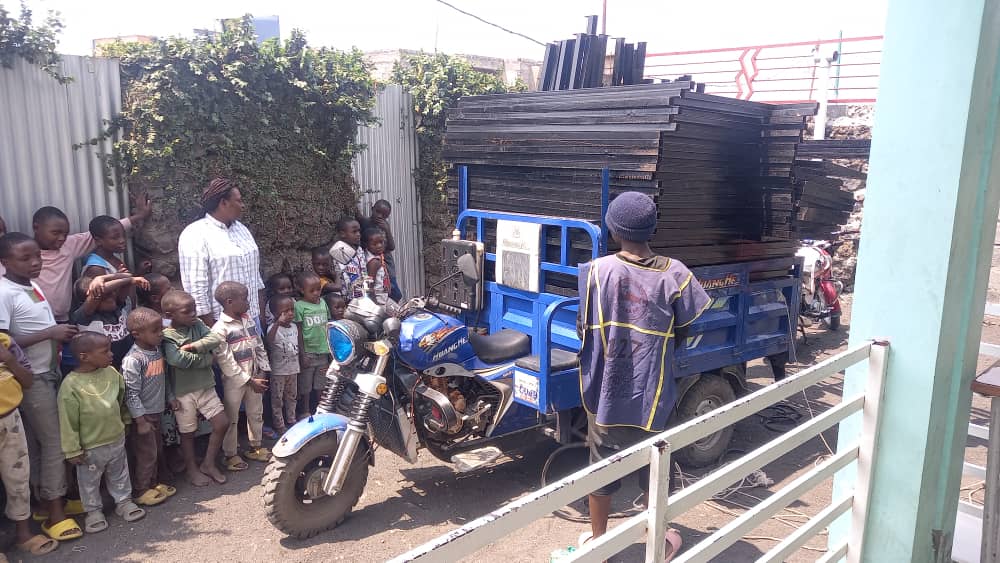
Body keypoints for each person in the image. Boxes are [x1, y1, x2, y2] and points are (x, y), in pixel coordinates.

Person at [577, 192, 711, 560]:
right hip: (654, 392)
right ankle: (660, 542)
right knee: (656, 469)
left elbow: (583, 327)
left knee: (601, 471)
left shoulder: (596, 271)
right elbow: (685, 329)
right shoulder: (676, 274)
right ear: (652, 228)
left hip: (605, 393)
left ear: (613, 230)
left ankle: (599, 544)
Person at [0, 232, 80, 541]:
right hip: (30, 378)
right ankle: (55, 513)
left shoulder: (29, 285)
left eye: (37, 256)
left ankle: (46, 503)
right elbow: (4, 343)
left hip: (48, 371)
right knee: (53, 442)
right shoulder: (4, 292)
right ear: (5, 262)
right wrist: (50, 333)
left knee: (39, 442)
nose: (35, 262)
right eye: (25, 258)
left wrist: (55, 332)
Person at [57, 332, 146, 533]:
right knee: (89, 481)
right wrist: (72, 450)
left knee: (119, 473)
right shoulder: (70, 385)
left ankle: (124, 502)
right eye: (105, 351)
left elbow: (121, 400)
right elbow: (67, 420)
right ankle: (93, 511)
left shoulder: (112, 373)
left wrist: (126, 421)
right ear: (84, 356)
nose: (111, 354)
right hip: (90, 446)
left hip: (115, 438)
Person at [31, 196, 151, 322]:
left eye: (65, 234)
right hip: (36, 320)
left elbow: (108, 230)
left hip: (62, 319)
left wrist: (140, 216)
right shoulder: (26, 255)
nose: (61, 238)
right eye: (55, 233)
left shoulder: (68, 246)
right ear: (36, 227)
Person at [161, 290, 228, 486]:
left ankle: (208, 463)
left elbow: (215, 339)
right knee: (188, 433)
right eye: (186, 311)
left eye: (194, 309)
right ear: (169, 315)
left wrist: (193, 347)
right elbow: (176, 360)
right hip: (183, 393)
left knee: (222, 423)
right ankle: (191, 469)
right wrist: (208, 359)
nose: (193, 314)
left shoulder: (197, 325)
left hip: (205, 386)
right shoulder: (167, 336)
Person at [0, 333, 59, 555]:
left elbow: (27, 380)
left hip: (9, 421)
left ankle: (23, 535)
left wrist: (9, 360)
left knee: (18, 478)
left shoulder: (5, 342)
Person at [178, 178, 265, 327]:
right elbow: (196, 288)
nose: (243, 205)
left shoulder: (242, 229)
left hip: (252, 318)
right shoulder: (195, 234)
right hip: (221, 323)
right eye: (239, 201)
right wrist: (210, 329)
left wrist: (261, 316)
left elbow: (255, 279)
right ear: (223, 203)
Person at [211, 282, 271, 471]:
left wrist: (263, 369)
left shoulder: (249, 320)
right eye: (244, 299)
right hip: (234, 381)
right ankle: (230, 454)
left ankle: (256, 446)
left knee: (256, 412)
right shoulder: (220, 329)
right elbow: (226, 362)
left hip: (255, 375)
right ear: (229, 302)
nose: (248, 302)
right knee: (232, 417)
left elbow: (259, 345)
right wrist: (249, 381)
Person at [121, 307, 175, 507]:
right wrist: (141, 421)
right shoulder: (134, 360)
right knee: (146, 453)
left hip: (157, 411)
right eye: (155, 331)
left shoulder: (156, 351)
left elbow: (164, 378)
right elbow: (130, 393)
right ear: (136, 334)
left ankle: (153, 483)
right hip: (144, 417)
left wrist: (170, 397)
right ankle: (141, 489)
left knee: (156, 450)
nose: (161, 333)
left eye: (161, 329)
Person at [70, 273, 148, 368]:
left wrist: (100, 278)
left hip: (129, 365)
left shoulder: (117, 308)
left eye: (113, 292)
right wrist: (131, 280)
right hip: (105, 369)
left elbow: (126, 276)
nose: (112, 296)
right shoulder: (84, 317)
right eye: (106, 296)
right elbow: (101, 291)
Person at [294, 273, 330, 419]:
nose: (316, 293)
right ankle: (305, 410)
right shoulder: (299, 306)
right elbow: (298, 331)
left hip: (323, 351)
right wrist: (302, 354)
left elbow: (328, 325)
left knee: (321, 384)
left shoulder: (323, 303)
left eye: (318, 289)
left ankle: (321, 410)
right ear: (302, 290)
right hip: (308, 352)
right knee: (306, 385)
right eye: (312, 291)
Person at [265, 296, 298, 435]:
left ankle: (291, 419)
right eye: (285, 311)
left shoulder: (294, 326)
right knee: (277, 399)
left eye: (292, 310)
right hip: (279, 371)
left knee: (292, 397)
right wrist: (277, 323)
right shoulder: (273, 328)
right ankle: (279, 424)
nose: (290, 313)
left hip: (293, 369)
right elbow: (269, 342)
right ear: (275, 313)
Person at [360, 200, 401, 300]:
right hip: (374, 263)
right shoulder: (365, 223)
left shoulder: (384, 226)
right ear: (372, 209)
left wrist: (387, 229)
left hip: (387, 264)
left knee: (395, 293)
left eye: (384, 215)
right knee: (377, 287)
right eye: (377, 212)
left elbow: (392, 247)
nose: (379, 216)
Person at [329, 217, 364, 301]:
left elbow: (363, 270)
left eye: (359, 231)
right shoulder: (336, 251)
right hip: (344, 296)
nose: (358, 234)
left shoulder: (359, 250)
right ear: (342, 234)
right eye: (354, 232)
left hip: (360, 294)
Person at [363, 226, 391, 301]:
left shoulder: (377, 256)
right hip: (378, 298)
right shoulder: (374, 263)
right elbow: (370, 286)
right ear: (366, 245)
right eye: (374, 244)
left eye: (381, 242)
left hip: (382, 296)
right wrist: (375, 303)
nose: (379, 246)